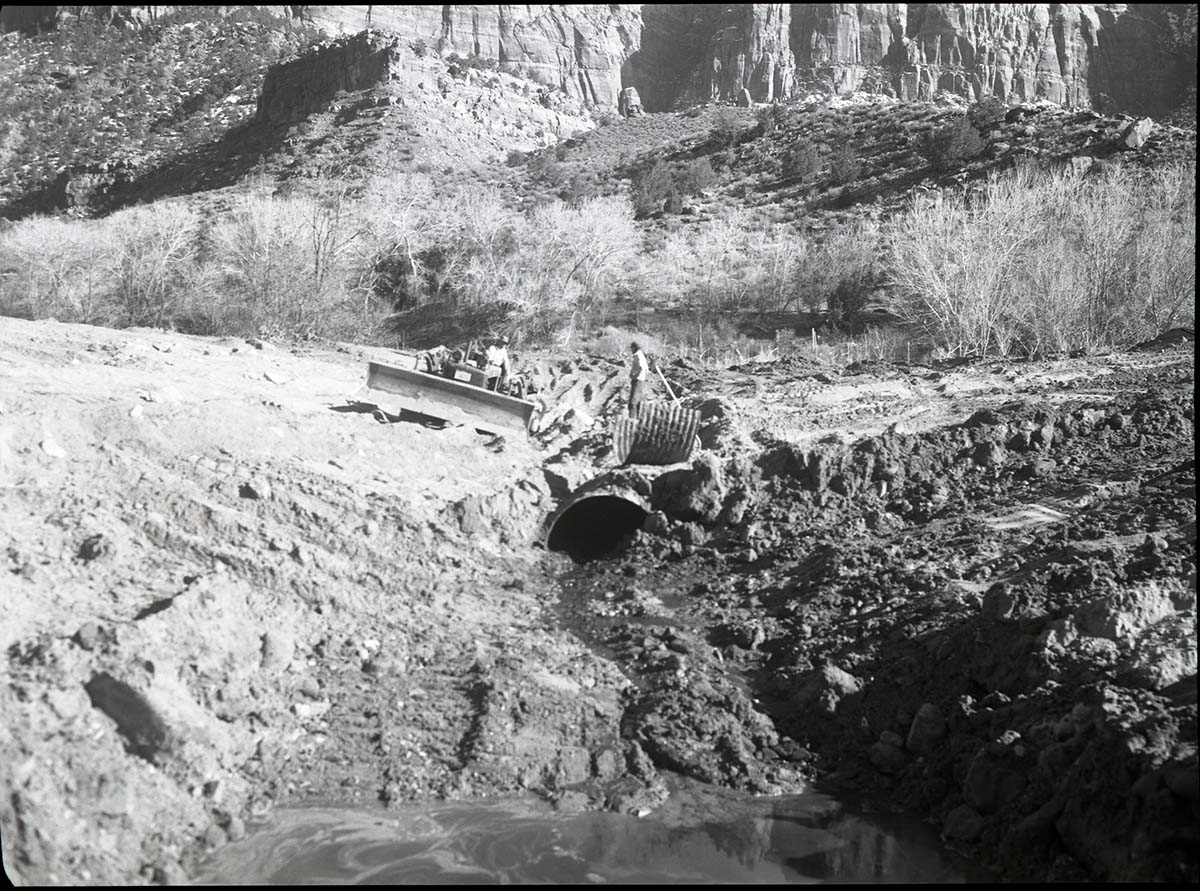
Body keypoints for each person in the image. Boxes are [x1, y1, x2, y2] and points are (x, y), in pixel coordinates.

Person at [628, 340, 649, 416]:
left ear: (634, 348)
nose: (631, 350)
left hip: (638, 380)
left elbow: (642, 368)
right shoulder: (639, 355)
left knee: (632, 403)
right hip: (639, 380)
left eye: (631, 348)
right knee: (638, 402)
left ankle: (632, 421)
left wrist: (635, 376)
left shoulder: (639, 356)